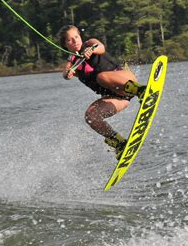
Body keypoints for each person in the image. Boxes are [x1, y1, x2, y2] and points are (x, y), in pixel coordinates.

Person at [58, 25, 145, 160]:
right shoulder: (73, 63)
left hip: (125, 79)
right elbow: (65, 73)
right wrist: (67, 74)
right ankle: (119, 142)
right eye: (69, 40)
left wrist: (91, 51)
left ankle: (140, 91)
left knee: (101, 77)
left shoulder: (90, 43)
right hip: (119, 98)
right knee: (90, 116)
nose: (75, 41)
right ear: (64, 45)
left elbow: (101, 47)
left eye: (76, 37)